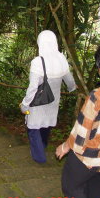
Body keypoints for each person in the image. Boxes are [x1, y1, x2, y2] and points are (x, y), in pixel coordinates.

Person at [56, 41, 100, 198]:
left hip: (89, 157)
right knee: (93, 192)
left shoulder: (99, 96)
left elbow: (81, 133)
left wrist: (65, 146)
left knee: (71, 187)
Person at [20, 30, 76, 163]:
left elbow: (33, 87)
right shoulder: (61, 58)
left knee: (33, 127)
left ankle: (39, 158)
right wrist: (72, 88)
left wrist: (25, 104)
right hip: (53, 100)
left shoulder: (38, 62)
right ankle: (43, 145)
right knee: (46, 124)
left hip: (38, 101)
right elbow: (69, 79)